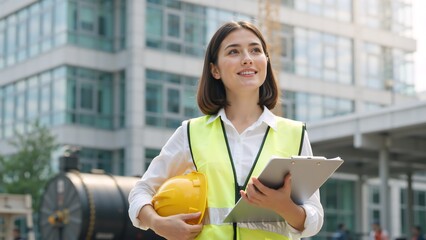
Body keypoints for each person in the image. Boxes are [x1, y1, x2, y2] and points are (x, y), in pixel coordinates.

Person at [128, 20, 324, 240]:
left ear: (266, 62)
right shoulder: (191, 133)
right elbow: (140, 192)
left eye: (255, 50)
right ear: (215, 70)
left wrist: (284, 206)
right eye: (234, 51)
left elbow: (314, 217)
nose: (247, 58)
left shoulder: (295, 134)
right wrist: (158, 224)